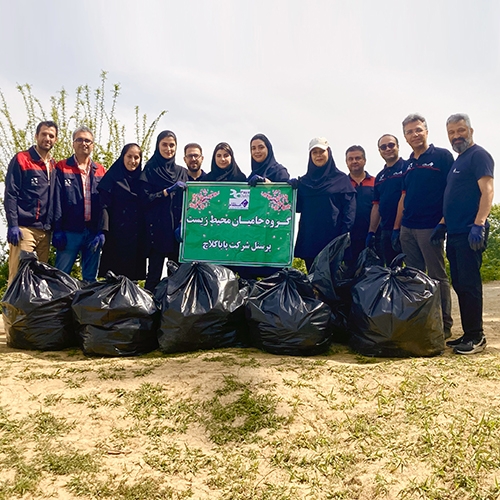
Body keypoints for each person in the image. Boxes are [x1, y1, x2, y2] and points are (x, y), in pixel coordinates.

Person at [432, 114, 494, 354]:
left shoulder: (479, 156)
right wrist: (443, 223)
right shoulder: (459, 161)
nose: (457, 136)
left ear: (471, 130)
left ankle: (477, 337)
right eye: (452, 133)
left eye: (461, 131)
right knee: (459, 283)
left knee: (469, 284)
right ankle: (468, 333)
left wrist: (479, 223)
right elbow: (455, 198)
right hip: (455, 232)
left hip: (471, 231)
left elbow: (487, 191)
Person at [392, 113, 454, 337]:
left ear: (426, 131)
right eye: (409, 132)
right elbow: (403, 196)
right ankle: (423, 322)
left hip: (431, 227)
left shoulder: (442, 157)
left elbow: (451, 191)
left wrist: (444, 222)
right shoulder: (407, 164)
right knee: (415, 278)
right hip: (408, 228)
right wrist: (397, 228)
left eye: (418, 129)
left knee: (437, 277)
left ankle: (444, 324)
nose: (415, 134)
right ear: (405, 137)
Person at [4, 121, 58, 284]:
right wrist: (13, 223)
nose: (47, 138)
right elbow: (11, 193)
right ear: (36, 136)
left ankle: (32, 311)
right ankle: (11, 311)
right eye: (44, 134)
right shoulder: (22, 159)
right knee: (19, 276)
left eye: (51, 136)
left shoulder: (54, 164)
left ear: (55, 140)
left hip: (45, 230)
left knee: (38, 280)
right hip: (24, 228)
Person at [52, 126, 106, 282]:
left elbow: (105, 203)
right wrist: (57, 229)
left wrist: (102, 230)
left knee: (90, 280)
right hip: (69, 232)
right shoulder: (62, 167)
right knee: (61, 277)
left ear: (93, 145)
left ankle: (85, 307)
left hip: (92, 233)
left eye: (88, 140)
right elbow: (56, 200)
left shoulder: (100, 170)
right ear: (73, 143)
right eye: (80, 139)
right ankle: (59, 306)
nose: (84, 143)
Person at [295, 137, 356, 271]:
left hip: (334, 242)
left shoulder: (341, 180)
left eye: (321, 151)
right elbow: (296, 208)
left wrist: (343, 238)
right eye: (314, 152)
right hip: (310, 241)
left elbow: (349, 211)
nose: (318, 155)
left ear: (328, 152)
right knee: (313, 284)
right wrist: (291, 190)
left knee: (333, 285)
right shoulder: (304, 182)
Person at [140, 130, 188, 291]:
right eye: (165, 145)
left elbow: (189, 202)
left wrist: (183, 221)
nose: (168, 149)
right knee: (153, 275)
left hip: (176, 232)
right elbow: (144, 200)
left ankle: (172, 313)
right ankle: (148, 312)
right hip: (156, 231)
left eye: (172, 145)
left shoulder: (182, 172)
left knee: (176, 277)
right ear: (158, 146)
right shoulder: (150, 169)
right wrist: (166, 192)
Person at [98, 143, 146, 280]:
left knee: (132, 281)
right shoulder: (112, 177)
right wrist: (103, 230)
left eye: (136, 157)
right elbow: (104, 205)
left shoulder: (142, 180)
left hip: (136, 238)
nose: (133, 161)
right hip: (115, 236)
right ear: (122, 157)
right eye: (129, 156)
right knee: (113, 277)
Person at [366, 134, 405, 266]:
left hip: (406, 228)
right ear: (379, 151)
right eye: (383, 147)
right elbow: (376, 206)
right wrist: (371, 232)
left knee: (412, 270)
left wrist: (397, 228)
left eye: (391, 145)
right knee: (391, 270)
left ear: (398, 147)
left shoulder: (407, 167)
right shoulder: (380, 176)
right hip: (386, 230)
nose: (387, 149)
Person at [344, 145, 376, 266]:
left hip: (373, 237)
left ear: (364, 160)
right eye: (350, 159)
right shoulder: (342, 184)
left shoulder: (376, 182)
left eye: (358, 158)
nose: (354, 161)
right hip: (349, 239)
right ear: (346, 162)